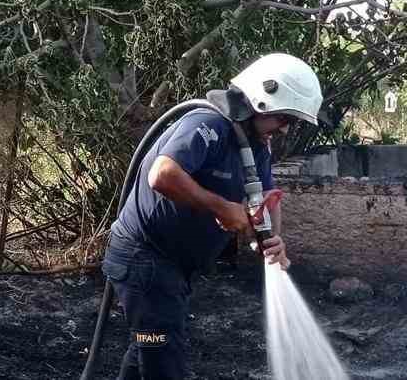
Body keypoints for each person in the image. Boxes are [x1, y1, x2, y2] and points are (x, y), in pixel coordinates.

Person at [103, 53, 322, 380]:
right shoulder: (207, 124)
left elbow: (266, 196)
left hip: (175, 266)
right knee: (163, 356)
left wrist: (273, 239)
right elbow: (162, 175)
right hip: (144, 258)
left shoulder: (256, 145)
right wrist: (222, 207)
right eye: (284, 117)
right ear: (261, 99)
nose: (286, 128)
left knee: (149, 347)